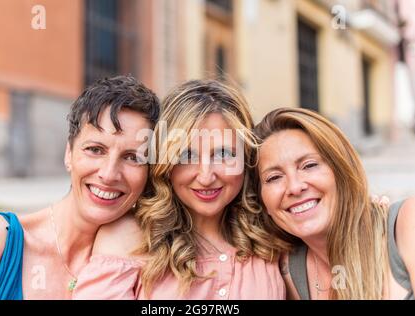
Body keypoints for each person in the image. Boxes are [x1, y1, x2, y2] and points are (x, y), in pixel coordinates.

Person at [74, 79, 287, 299]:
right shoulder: (129, 239)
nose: (205, 176)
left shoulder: (271, 233)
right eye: (186, 155)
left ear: (245, 158)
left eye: (223, 154)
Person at [0, 76, 160, 299]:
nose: (108, 174)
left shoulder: (150, 264)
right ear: (69, 153)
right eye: (95, 150)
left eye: (132, 157)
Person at [254, 107, 415, 300]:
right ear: (263, 202)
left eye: (309, 165)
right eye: (274, 178)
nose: (295, 187)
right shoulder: (289, 274)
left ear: (341, 172)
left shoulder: (406, 226)